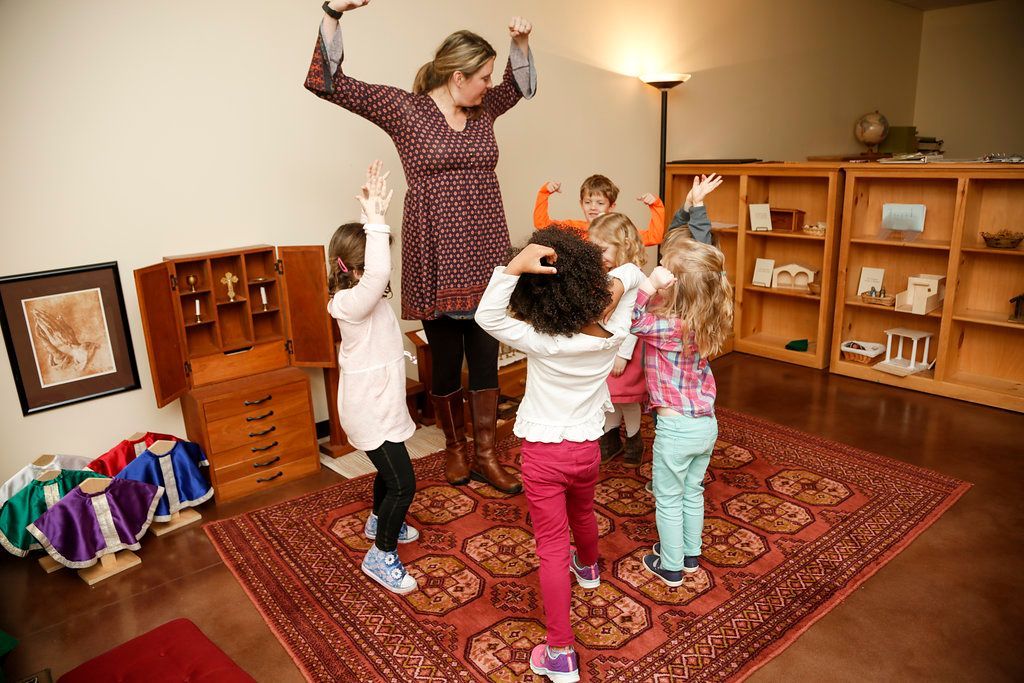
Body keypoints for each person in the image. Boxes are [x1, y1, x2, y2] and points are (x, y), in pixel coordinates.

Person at [306, 1, 537, 495]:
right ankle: (454, 449)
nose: (489, 86)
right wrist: (332, 13)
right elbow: (329, 82)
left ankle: (486, 455)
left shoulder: (486, 106)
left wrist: (520, 44)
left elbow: (522, 85)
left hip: (486, 246)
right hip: (435, 248)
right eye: (483, 77)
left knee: (485, 353)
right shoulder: (404, 109)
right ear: (458, 76)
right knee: (446, 357)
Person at [475, 228, 643, 683]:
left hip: (544, 457)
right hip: (587, 452)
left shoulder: (539, 339)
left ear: (537, 296)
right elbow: (631, 271)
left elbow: (487, 316)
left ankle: (561, 653)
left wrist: (513, 268)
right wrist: (611, 289)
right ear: (589, 279)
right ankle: (588, 568)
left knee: (551, 547)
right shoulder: (614, 334)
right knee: (584, 512)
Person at [327, 161, 419, 595]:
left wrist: (371, 213)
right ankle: (380, 555)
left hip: (384, 401)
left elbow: (376, 269)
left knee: (390, 469)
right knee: (404, 483)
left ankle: (379, 520)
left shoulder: (362, 293)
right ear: (355, 267)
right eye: (376, 257)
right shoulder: (349, 303)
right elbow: (379, 272)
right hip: (368, 406)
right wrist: (378, 222)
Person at [630, 233, 733, 585]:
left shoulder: (669, 329)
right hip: (705, 425)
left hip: (675, 430)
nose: (660, 272)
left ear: (677, 287)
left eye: (666, 272)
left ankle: (671, 566)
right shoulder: (705, 321)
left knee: (668, 498)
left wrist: (646, 285)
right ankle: (690, 553)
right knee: (692, 491)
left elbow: (630, 319)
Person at [587, 213, 649, 467]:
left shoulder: (632, 276)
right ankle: (610, 439)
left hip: (627, 351)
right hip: (609, 349)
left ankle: (635, 440)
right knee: (611, 398)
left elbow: (636, 321)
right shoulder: (608, 273)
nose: (598, 256)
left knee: (627, 398)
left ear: (623, 246)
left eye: (603, 249)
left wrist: (623, 355)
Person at [534, 175, 666, 246]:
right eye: (587, 202)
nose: (593, 207)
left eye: (600, 203)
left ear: (611, 206)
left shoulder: (619, 231)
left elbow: (654, 237)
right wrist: (544, 193)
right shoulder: (573, 228)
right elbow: (542, 224)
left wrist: (656, 206)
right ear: (581, 204)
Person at [666, 174, 724, 244]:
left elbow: (702, 249)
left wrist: (697, 204)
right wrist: (689, 203)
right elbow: (672, 237)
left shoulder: (701, 251)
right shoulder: (672, 248)